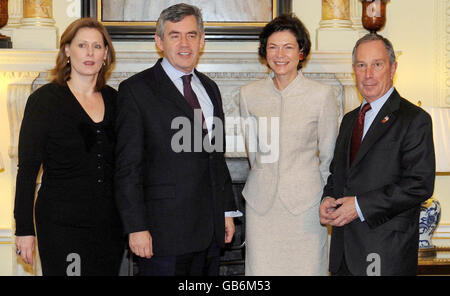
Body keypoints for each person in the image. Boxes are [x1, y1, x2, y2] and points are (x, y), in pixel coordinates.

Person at [115, 3, 238, 276]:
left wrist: (227, 211)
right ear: (159, 41)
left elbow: (216, 157)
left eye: (192, 35)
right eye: (174, 35)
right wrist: (136, 227)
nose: (185, 43)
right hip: (163, 234)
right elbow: (128, 167)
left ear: (202, 40)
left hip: (210, 232)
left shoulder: (210, 88)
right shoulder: (135, 91)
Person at [14, 18, 124, 275]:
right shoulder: (44, 101)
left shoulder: (117, 100)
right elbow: (27, 170)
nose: (89, 53)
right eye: (82, 45)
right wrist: (24, 229)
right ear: (66, 50)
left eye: (97, 46)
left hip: (109, 227)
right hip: (60, 225)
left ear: (106, 54)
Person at [319, 33, 436, 276]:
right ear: (354, 70)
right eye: (361, 65)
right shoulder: (350, 120)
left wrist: (360, 206)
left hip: (386, 254)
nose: (368, 74)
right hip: (344, 255)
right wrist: (328, 198)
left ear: (393, 68)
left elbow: (419, 185)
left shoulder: (414, 119)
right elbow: (337, 174)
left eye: (377, 64)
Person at [239, 14, 338, 275]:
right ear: (265, 52)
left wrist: (325, 198)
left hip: (306, 207)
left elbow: (330, 157)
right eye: (272, 47)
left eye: (288, 47)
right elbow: (254, 153)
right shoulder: (249, 95)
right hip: (261, 207)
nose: (280, 54)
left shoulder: (321, 95)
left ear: (301, 52)